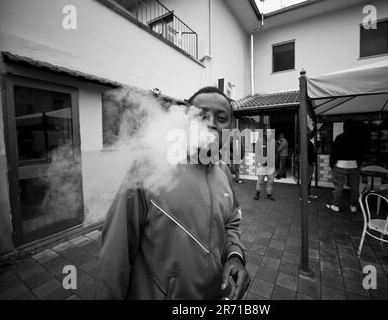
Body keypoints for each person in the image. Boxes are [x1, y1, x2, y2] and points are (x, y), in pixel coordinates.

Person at [93, 87, 250, 300]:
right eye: (202, 115)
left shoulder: (224, 172)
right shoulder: (149, 167)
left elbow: (231, 221)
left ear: (230, 127)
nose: (212, 123)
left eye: (221, 118)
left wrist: (235, 255)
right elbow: (116, 252)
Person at [326, 120, 364, 213]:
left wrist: (332, 164)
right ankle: (353, 206)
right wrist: (358, 164)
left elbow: (333, 152)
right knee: (355, 187)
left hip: (340, 165)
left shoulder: (339, 138)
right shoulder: (358, 139)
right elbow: (361, 153)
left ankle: (336, 205)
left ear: (344, 128)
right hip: (354, 165)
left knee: (339, 186)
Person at [253, 129, 276, 201]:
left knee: (271, 180)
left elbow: (275, 152)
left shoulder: (274, 142)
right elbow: (256, 152)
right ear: (265, 133)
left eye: (270, 132)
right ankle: (257, 193)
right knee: (260, 179)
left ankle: (269, 194)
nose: (270, 134)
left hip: (271, 164)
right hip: (262, 164)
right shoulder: (259, 141)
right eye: (268, 132)